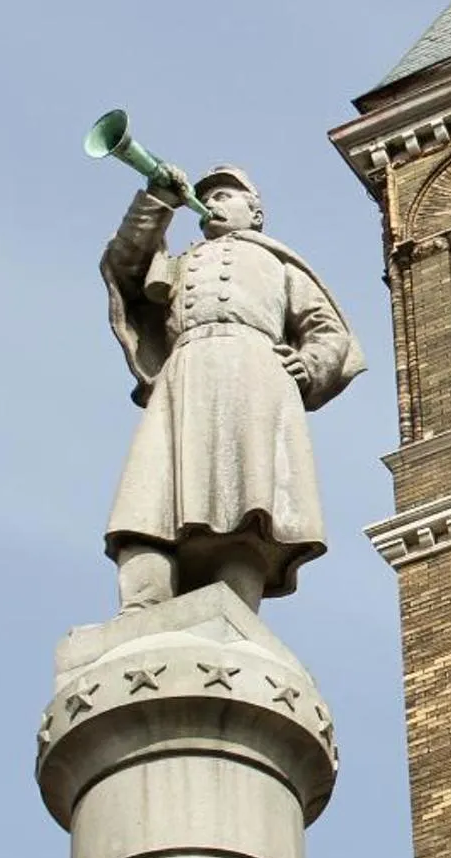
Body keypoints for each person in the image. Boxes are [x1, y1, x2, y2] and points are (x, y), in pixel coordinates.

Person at [98, 161, 363, 611]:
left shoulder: (279, 264)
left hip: (255, 376)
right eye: (208, 198)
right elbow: (124, 268)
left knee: (250, 501)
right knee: (151, 495)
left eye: (225, 195)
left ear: (254, 213)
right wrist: (158, 201)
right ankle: (141, 603)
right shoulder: (176, 262)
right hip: (184, 377)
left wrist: (309, 364)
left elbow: (328, 330)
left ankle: (237, 610)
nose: (212, 205)